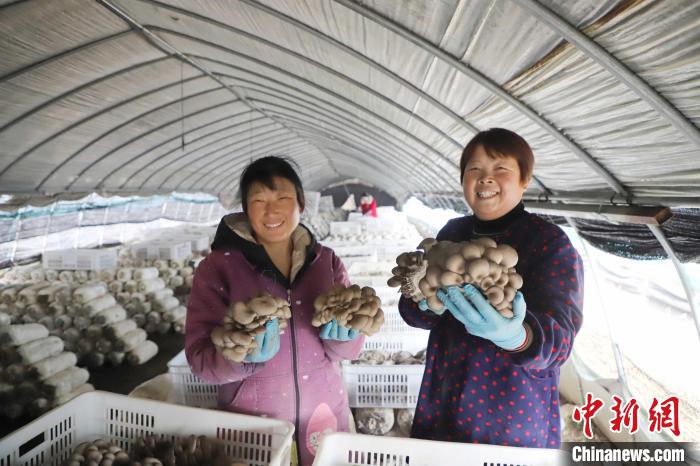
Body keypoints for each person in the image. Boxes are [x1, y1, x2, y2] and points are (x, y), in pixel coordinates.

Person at [398, 128, 583, 448]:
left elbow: (562, 338)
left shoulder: (549, 243)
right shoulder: (452, 232)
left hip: (511, 410)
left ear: (525, 179)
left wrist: (518, 335)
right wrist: (424, 303)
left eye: (501, 169)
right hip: (445, 395)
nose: (485, 179)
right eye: (474, 170)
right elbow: (414, 311)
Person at [185, 156, 364, 466]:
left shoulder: (326, 262)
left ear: (301, 203)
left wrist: (344, 339)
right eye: (258, 200)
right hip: (252, 422)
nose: (271, 210)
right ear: (245, 207)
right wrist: (241, 358)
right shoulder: (217, 268)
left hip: (322, 414)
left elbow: (349, 349)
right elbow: (199, 359)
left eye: (282, 197)